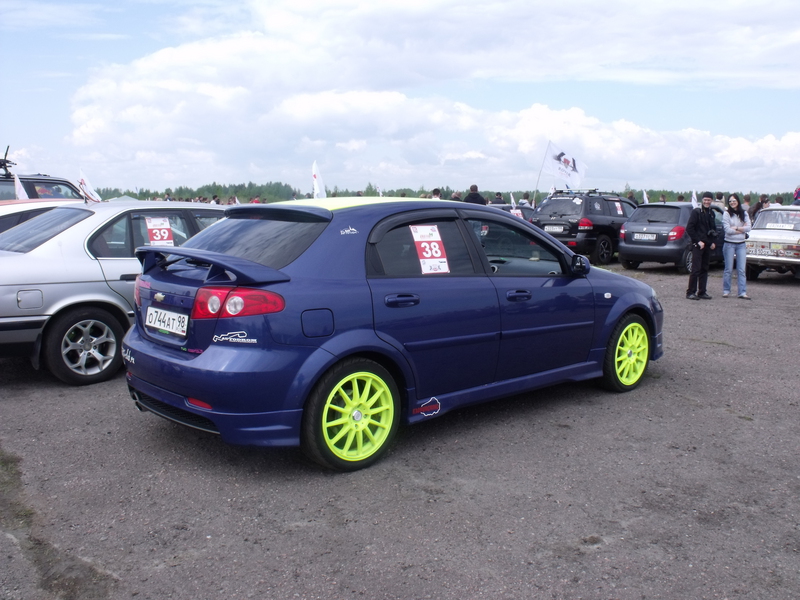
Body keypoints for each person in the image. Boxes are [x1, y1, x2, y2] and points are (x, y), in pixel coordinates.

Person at [686, 191, 718, 300]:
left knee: (704, 268)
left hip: (707, 245)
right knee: (695, 269)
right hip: (698, 245)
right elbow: (689, 228)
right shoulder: (696, 212)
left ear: (711, 200)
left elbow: (713, 229)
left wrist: (713, 242)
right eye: (705, 200)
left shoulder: (711, 213)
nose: (707, 202)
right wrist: (697, 241)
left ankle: (702, 292)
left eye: (709, 200)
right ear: (702, 200)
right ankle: (690, 292)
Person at [722, 194, 751, 299]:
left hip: (741, 244)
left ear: (738, 201)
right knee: (728, 269)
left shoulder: (744, 213)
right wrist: (741, 229)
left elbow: (749, 228)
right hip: (729, 244)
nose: (732, 202)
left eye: (734, 200)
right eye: (730, 201)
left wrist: (736, 228)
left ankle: (742, 292)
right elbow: (727, 230)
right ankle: (726, 290)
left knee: (741, 269)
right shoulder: (726, 214)